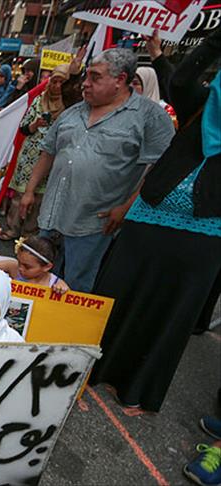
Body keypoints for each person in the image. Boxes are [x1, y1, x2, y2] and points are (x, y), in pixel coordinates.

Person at [89, 31, 221, 412]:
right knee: (117, 295)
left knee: (168, 315)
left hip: (204, 235)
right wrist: (216, 41)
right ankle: (90, 370)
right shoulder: (202, 103)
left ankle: (136, 391)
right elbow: (180, 79)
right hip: (149, 218)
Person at [19, 48, 175, 292]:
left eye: (95, 77)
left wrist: (126, 208)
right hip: (52, 216)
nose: (86, 83)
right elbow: (48, 152)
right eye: (87, 76)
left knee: (76, 286)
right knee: (40, 279)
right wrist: (29, 191)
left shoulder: (149, 117)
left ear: (120, 79)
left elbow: (160, 169)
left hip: (93, 223)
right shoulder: (72, 113)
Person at [2, 64, 70, 241]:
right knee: (20, 194)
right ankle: (12, 228)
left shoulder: (69, 106)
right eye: (54, 81)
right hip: (29, 156)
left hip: (51, 157)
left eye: (62, 83)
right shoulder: (40, 100)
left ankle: (29, 232)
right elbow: (23, 127)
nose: (57, 86)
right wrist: (36, 124)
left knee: (39, 196)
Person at [0, 224, 70, 293]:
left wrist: (63, 290)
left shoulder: (56, 284)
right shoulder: (13, 267)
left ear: (47, 267)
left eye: (27, 267)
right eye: (19, 262)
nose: (20, 268)